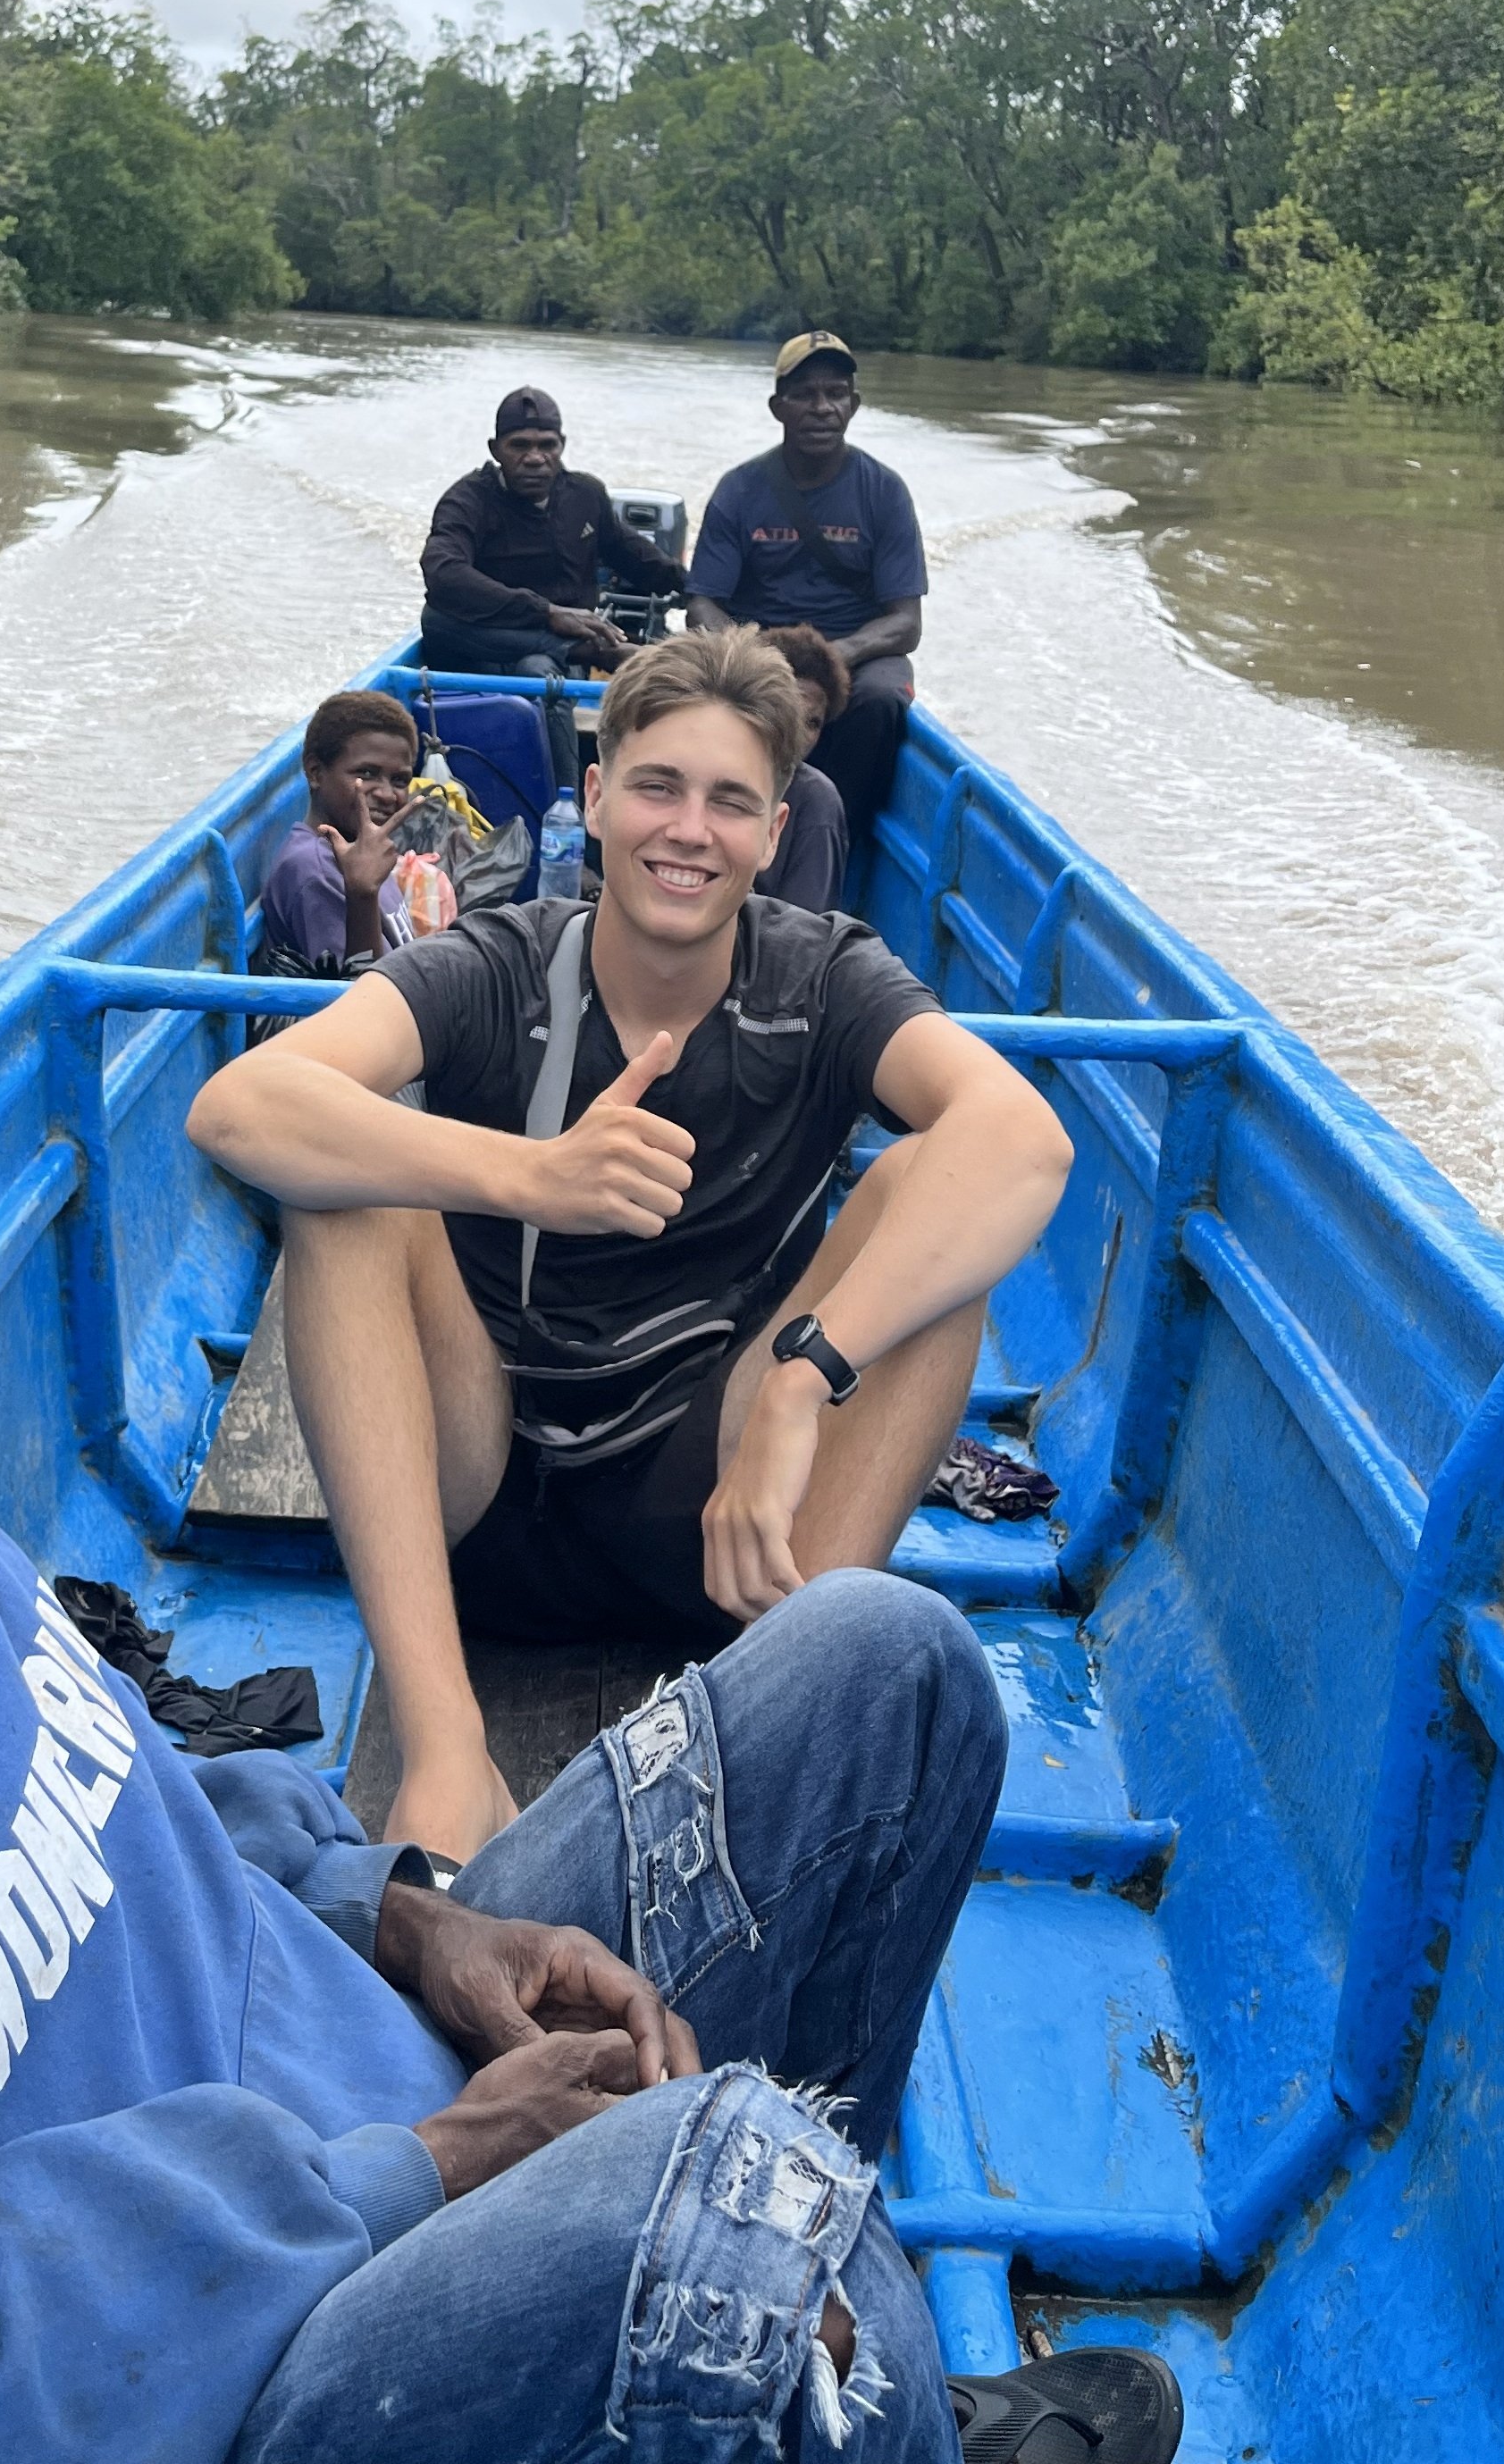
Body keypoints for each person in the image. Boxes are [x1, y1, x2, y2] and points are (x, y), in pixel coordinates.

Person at [0, 931, 1179, 2464]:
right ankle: (846, 2381)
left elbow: (137, 1796)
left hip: (371, 2084)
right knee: (733, 2178)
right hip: (263, 2369)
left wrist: (401, 1922)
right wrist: (430, 2169)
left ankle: (855, 2394)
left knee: (888, 1672)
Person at [188, 629, 1073, 1871]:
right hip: (480, 1494)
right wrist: (528, 1174)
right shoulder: (498, 964)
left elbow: (1023, 1145)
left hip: (724, 1524)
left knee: (943, 1210)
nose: (689, 831)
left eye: (731, 802)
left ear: (776, 832)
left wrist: (801, 1382)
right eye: (657, 787)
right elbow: (238, 1109)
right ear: (596, 801)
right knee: (340, 1175)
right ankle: (448, 1746)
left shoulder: (826, 981)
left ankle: (784, 1709)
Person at [689, 331, 925, 851]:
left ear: (854, 405)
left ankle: (840, 840)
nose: (823, 408)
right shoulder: (740, 489)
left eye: (836, 394)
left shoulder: (883, 492)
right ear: (778, 407)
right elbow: (703, 603)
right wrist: (750, 657)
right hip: (757, 644)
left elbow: (905, 622)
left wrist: (834, 658)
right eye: (805, 395)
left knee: (882, 700)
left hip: (852, 648)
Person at [420, 383, 687, 791]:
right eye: (519, 445)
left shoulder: (585, 495)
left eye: (547, 445)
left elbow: (637, 557)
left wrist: (704, 590)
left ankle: (565, 811)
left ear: (562, 445)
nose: (535, 459)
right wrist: (548, 615)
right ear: (495, 449)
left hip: (563, 658)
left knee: (540, 671)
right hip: (486, 653)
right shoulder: (469, 500)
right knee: (439, 620)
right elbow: (442, 572)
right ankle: (565, 811)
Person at [263, 691, 424, 969]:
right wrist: (362, 892)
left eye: (399, 780)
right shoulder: (316, 871)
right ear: (315, 772)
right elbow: (363, 998)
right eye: (366, 774)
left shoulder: (365, 850)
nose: (387, 794)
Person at [761, 624, 852, 915]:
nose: (799, 734)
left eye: (813, 723)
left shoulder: (815, 802)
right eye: (789, 713)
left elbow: (800, 933)